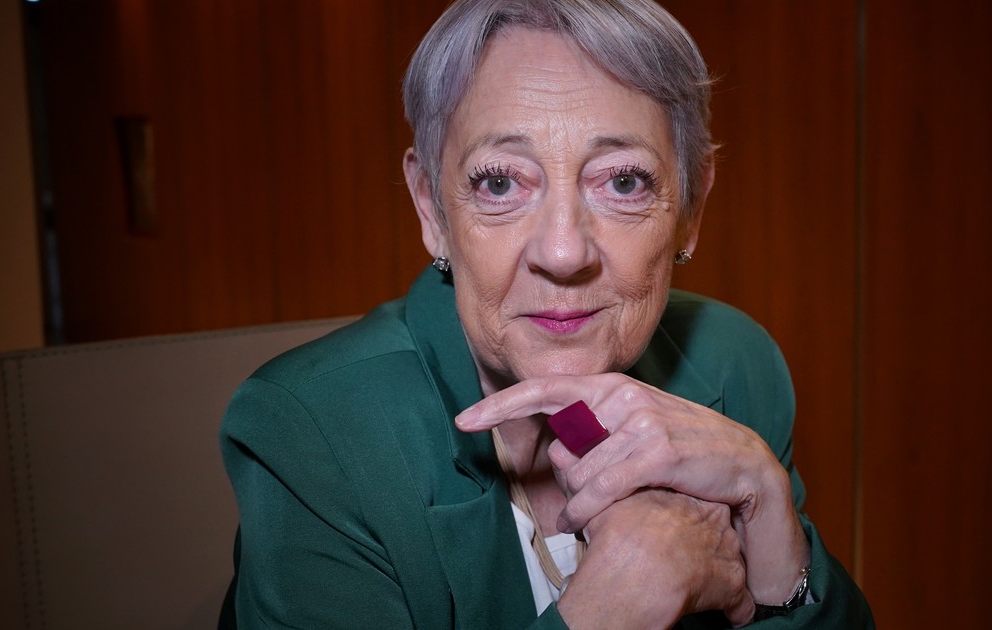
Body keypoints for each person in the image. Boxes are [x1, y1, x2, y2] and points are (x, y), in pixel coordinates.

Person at [219, 0, 874, 627]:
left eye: (623, 182)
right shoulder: (315, 436)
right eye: (500, 182)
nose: (563, 253)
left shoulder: (734, 364)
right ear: (430, 208)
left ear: (690, 208)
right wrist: (610, 612)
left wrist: (774, 532)